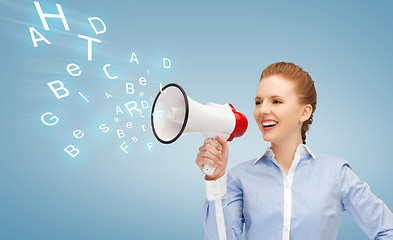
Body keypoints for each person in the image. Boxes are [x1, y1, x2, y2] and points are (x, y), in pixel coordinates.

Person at [195, 62, 393, 240]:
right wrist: (215, 180)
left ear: (304, 112)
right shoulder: (240, 176)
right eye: (258, 102)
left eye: (276, 101)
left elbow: (387, 230)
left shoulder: (336, 173)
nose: (262, 110)